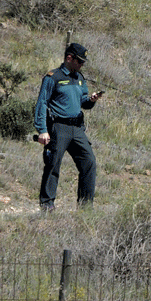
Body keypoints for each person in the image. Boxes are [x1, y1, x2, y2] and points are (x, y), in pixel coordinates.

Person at [35, 43, 104, 211]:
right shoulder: (53, 77)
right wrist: (42, 130)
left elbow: (83, 102)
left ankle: (85, 207)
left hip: (77, 128)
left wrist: (91, 100)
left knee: (89, 162)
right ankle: (47, 204)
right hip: (58, 127)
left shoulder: (79, 78)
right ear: (69, 58)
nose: (81, 65)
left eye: (83, 62)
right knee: (53, 164)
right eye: (79, 61)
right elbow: (42, 103)